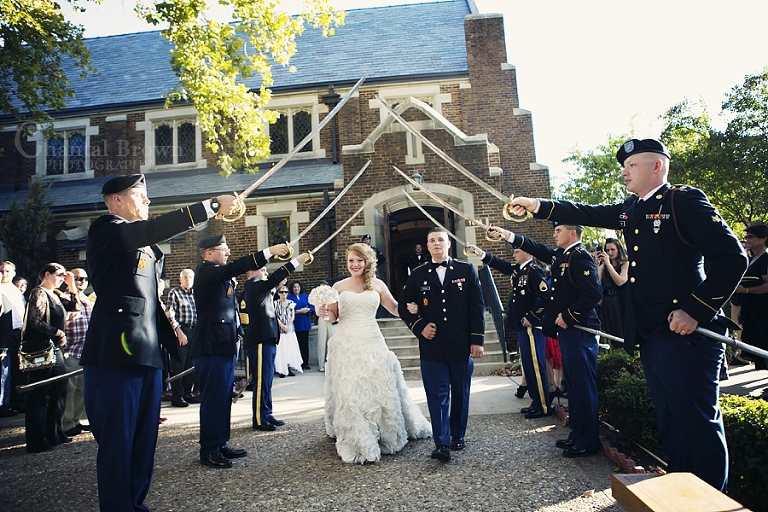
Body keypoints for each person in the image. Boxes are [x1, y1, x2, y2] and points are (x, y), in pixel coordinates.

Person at [508, 138, 748, 490]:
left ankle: (711, 499)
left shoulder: (684, 201)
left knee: (696, 425)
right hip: (653, 335)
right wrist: (536, 205)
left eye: (631, 165)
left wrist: (695, 311)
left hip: (687, 336)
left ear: (657, 166)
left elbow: (732, 258)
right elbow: (588, 211)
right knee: (671, 423)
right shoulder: (633, 209)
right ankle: (684, 494)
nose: (624, 171)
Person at [82, 173, 240, 510]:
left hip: (148, 353)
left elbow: (151, 303)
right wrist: (210, 206)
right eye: (140, 195)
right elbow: (148, 231)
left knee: (143, 442)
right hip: (115, 351)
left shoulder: (148, 248)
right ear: (117, 200)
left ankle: (135, 503)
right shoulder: (106, 230)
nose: (148, 201)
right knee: (117, 441)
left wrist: (176, 341)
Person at [490, 224, 602, 457]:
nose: (554, 234)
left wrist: (569, 316)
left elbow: (593, 293)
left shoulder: (580, 257)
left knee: (583, 387)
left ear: (572, 233)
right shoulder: (563, 255)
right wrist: (508, 236)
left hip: (580, 329)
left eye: (558, 230)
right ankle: (578, 434)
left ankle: (589, 439)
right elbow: (537, 248)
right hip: (569, 330)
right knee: (573, 385)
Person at [317, 243, 431, 464]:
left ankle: (385, 432)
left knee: (380, 388)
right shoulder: (338, 287)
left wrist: (416, 309)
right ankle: (359, 438)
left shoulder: (377, 284)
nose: (355, 265)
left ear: (367, 262)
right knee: (351, 392)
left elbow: (396, 308)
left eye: (359, 260)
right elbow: (333, 317)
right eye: (351, 261)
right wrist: (322, 312)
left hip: (373, 341)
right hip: (347, 344)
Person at [190, 234, 292, 468]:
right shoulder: (206, 272)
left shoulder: (221, 276)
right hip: (210, 347)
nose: (227, 253)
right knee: (213, 399)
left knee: (224, 398)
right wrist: (268, 251)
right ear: (208, 253)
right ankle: (209, 449)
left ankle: (220, 442)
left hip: (224, 345)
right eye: (222, 249)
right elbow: (236, 267)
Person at [398, 227, 485, 462]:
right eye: (432, 241)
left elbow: (476, 308)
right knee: (436, 397)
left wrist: (477, 340)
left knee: (460, 394)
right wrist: (420, 325)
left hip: (461, 346)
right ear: (427, 246)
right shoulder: (417, 274)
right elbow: (403, 307)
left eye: (440, 240)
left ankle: (458, 435)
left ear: (448, 244)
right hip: (432, 347)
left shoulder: (466, 270)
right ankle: (442, 443)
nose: (436, 243)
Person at [466, 243, 550, 418]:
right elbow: (499, 264)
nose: (514, 255)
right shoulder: (519, 270)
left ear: (528, 252)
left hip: (532, 327)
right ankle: (535, 401)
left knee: (535, 366)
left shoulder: (534, 272)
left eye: (517, 251)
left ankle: (543, 405)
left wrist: (532, 317)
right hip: (522, 327)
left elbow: (546, 298)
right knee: (528, 365)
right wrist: (480, 253)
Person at [243, 253, 311, 432]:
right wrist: (296, 261)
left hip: (267, 338)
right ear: (251, 272)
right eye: (261, 269)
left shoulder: (261, 287)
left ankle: (266, 413)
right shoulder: (253, 285)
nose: (265, 271)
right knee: (260, 381)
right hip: (259, 339)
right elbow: (274, 278)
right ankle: (259, 418)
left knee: (266, 380)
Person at [22, 263, 81, 452]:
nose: (62, 278)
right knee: (38, 392)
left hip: (54, 348)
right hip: (40, 348)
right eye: (59, 275)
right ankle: (37, 440)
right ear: (46, 274)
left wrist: (71, 285)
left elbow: (75, 306)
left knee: (59, 387)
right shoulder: (39, 293)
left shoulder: (55, 294)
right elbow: (35, 321)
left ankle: (54, 433)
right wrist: (58, 332)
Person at [733, 224, 768, 371]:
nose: (747, 240)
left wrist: (746, 290)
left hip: (763, 310)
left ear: (763, 239)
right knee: (754, 345)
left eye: (751, 237)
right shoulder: (751, 259)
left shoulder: (766, 259)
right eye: (747, 237)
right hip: (750, 310)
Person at [62, 268, 93, 437]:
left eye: (85, 279)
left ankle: (75, 420)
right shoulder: (65, 297)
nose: (82, 281)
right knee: (69, 388)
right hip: (70, 350)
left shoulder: (86, 299)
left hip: (84, 350)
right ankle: (66, 424)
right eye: (78, 278)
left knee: (81, 388)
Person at [166, 268, 199, 408]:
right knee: (179, 365)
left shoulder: (197, 293)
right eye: (185, 277)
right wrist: (178, 331)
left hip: (195, 331)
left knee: (191, 365)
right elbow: (170, 314)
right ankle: (177, 396)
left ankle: (187, 393)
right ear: (180, 279)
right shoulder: (175, 293)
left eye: (190, 277)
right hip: (182, 330)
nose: (188, 280)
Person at [0, 261, 27, 415]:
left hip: (18, 332)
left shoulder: (15, 290)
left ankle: (17, 401)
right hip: (4, 332)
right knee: (5, 370)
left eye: (8, 271)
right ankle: (4, 404)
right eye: (2, 271)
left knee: (18, 369)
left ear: (14, 273)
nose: (4, 274)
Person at [596, 238, 628, 339]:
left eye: (613, 249)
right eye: (607, 250)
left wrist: (609, 265)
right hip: (607, 301)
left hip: (620, 301)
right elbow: (597, 284)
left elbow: (620, 281)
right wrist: (598, 265)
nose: (610, 253)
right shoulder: (603, 267)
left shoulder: (625, 264)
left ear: (618, 249)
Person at [274, 284, 304, 377]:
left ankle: (289, 367)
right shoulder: (275, 303)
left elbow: (292, 315)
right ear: (278, 293)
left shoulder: (291, 302)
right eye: (281, 292)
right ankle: (282, 370)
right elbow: (276, 316)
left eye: (285, 292)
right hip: (280, 330)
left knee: (290, 349)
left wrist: (287, 325)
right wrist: (282, 326)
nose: (284, 294)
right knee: (281, 350)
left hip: (290, 330)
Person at [287, 280, 312, 370]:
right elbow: (288, 309)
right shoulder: (289, 297)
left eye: (298, 287)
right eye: (294, 287)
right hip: (295, 323)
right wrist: (298, 311)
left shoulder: (305, 296)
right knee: (296, 344)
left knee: (304, 344)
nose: (296, 289)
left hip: (305, 323)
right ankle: (298, 363)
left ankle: (306, 363)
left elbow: (312, 306)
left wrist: (308, 309)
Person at [314, 280, 335, 372]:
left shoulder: (332, 297)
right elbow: (317, 312)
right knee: (322, 341)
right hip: (322, 319)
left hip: (331, 318)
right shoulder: (317, 299)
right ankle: (321, 365)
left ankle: (332, 362)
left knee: (332, 341)